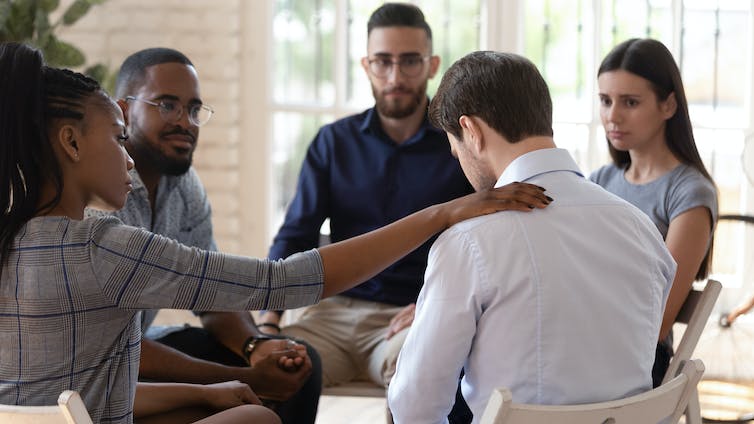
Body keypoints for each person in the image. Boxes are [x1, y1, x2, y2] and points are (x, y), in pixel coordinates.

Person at [0, 42, 550, 423]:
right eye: (115, 138)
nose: (124, 154)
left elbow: (80, 395)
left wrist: (217, 381)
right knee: (257, 419)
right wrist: (444, 213)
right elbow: (282, 281)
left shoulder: (15, 234)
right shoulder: (102, 245)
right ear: (71, 144)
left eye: (195, 108)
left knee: (240, 401)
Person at [387, 50, 677, 423]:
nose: (457, 160)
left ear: (471, 132)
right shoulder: (641, 229)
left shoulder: (469, 241)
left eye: (454, 147)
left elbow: (415, 404)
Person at [261, 1, 473, 398]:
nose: (395, 76)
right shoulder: (333, 142)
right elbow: (296, 235)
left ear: (431, 65)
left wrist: (439, 306)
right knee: (271, 370)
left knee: (425, 376)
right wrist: (268, 321)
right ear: (366, 66)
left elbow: (486, 238)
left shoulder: (459, 146)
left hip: (414, 316)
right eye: (383, 62)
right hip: (331, 315)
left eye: (410, 61)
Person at [105, 47, 320, 424]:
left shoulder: (184, 185)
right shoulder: (101, 190)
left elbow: (212, 295)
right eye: (167, 105)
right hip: (104, 369)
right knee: (256, 392)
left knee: (298, 365)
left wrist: (255, 347)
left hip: (142, 346)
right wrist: (247, 377)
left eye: (193, 109)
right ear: (123, 110)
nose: (185, 122)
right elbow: (116, 349)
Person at [589, 38, 718, 387]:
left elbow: (657, 322)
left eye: (630, 102)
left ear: (668, 105)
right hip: (586, 338)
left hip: (636, 358)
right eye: (605, 101)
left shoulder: (689, 192)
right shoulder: (600, 180)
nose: (612, 116)